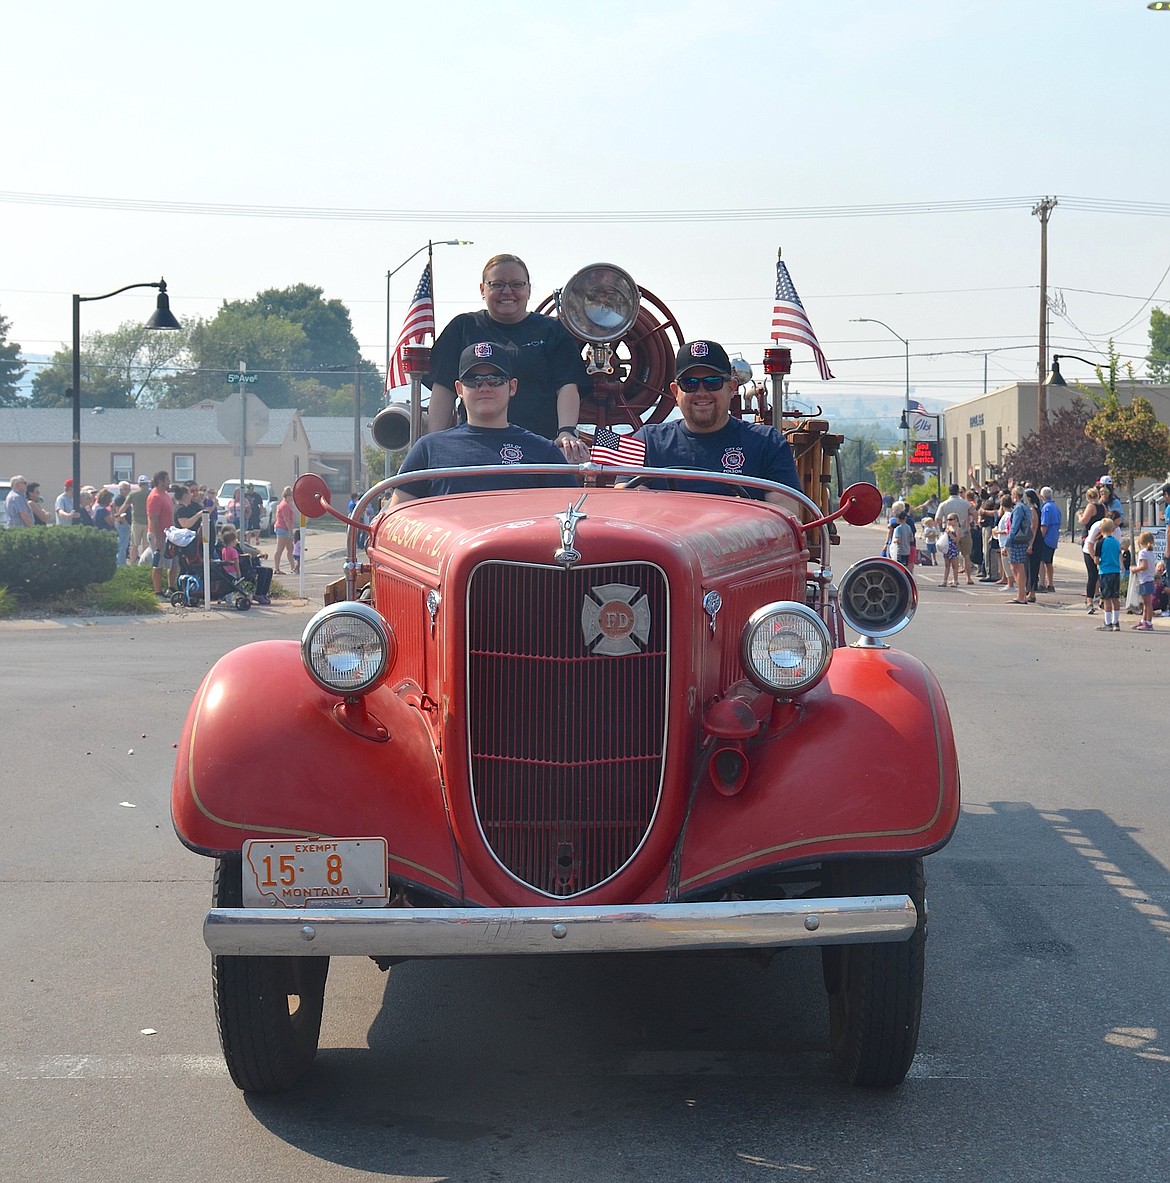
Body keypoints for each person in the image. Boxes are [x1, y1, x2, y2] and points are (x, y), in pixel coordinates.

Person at [425, 254, 591, 460]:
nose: (507, 292)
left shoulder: (552, 330)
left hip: (539, 449)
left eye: (516, 284)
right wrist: (434, 443)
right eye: (497, 284)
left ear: (529, 289)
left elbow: (567, 384)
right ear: (482, 289)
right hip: (474, 448)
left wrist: (566, 431)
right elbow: (443, 388)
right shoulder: (462, 328)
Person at [391, 342, 578, 506]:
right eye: (473, 381)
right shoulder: (428, 449)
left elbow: (570, 517)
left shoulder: (544, 452)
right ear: (459, 389)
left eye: (495, 380)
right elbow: (398, 518)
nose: (485, 387)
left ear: (512, 387)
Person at [629, 340, 803, 501]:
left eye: (713, 382)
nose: (702, 392)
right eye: (689, 383)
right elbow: (627, 502)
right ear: (675, 392)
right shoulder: (647, 442)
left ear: (731, 388)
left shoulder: (767, 444)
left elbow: (784, 513)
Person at [936, 484, 974, 584]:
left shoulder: (944, 504)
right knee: (966, 556)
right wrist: (972, 521)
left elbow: (938, 519)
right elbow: (974, 512)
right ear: (958, 491)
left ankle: (954, 578)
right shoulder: (965, 503)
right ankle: (968, 578)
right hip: (964, 531)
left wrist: (942, 528)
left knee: (952, 558)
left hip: (950, 533)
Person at [146, 471, 175, 597]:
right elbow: (153, 518)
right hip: (158, 535)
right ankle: (157, 592)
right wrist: (158, 538)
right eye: (167, 479)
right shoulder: (155, 497)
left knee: (172, 563)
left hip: (168, 534)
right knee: (158, 564)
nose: (169, 482)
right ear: (161, 481)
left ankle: (171, 588)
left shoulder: (166, 495)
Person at [1078, 489, 1106, 612]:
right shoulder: (1102, 507)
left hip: (1090, 537)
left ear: (1088, 497)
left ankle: (1090, 599)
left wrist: (1079, 515)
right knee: (1099, 572)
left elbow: (1084, 520)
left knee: (1092, 573)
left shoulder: (1091, 506)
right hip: (1100, 537)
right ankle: (1099, 596)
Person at [1094, 515, 1122, 632]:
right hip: (1116, 571)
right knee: (1115, 598)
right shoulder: (1116, 542)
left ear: (1101, 529)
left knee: (1106, 598)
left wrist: (1098, 563)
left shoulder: (1100, 543)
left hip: (1105, 571)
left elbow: (1096, 559)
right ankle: (1116, 622)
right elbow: (1119, 556)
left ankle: (1108, 622)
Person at [1005, 485, 1033, 604]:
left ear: (1016, 495)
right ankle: (1021, 594)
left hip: (1017, 540)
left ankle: (1021, 595)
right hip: (1023, 539)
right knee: (1016, 566)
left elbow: (1014, 527)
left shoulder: (1019, 508)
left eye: (1012, 494)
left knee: (1017, 567)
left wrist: (1007, 543)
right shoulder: (1026, 507)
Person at [1036, 486, 1062, 593]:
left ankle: (1042, 583)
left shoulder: (1046, 508)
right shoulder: (1056, 507)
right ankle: (1050, 584)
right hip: (1054, 537)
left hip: (1046, 538)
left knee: (1041, 561)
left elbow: (1044, 525)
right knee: (1049, 562)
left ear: (1042, 496)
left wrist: (1039, 538)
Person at [1131, 530, 1156, 631]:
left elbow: (1144, 566)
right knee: (1146, 603)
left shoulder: (1143, 553)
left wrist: (1134, 569)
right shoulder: (1150, 552)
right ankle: (1144, 620)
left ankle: (1149, 622)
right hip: (1149, 579)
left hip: (1145, 580)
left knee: (1147, 603)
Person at [272, 486, 296, 574]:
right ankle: (276, 568)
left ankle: (293, 567)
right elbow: (286, 520)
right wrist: (290, 531)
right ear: (288, 496)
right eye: (292, 496)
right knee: (280, 549)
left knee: (290, 549)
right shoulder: (284, 505)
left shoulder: (287, 504)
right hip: (283, 529)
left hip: (286, 529)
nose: (293, 498)